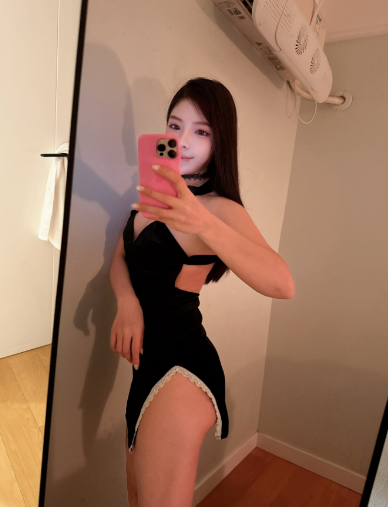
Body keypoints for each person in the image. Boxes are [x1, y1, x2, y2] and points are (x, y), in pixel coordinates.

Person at [109, 77, 295, 507]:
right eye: (175, 126)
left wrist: (203, 223)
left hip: (180, 367)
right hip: (145, 366)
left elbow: (283, 283)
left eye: (201, 131)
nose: (184, 140)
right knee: (136, 496)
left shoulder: (219, 208)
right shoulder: (153, 197)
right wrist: (127, 301)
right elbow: (120, 257)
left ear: (219, 141)